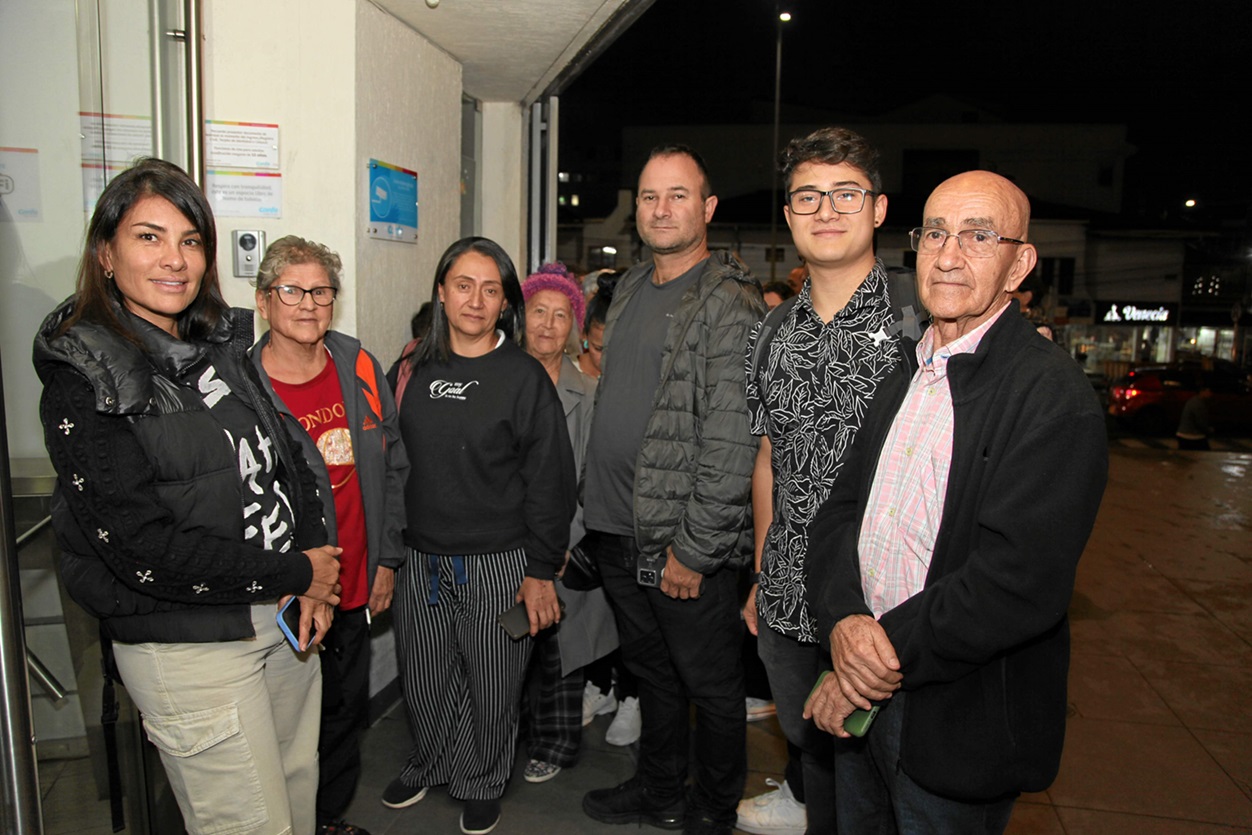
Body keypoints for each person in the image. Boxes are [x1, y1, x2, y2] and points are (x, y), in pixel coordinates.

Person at [33, 158, 342, 835]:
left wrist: (313, 564)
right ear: (106, 253)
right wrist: (299, 569)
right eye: (149, 237)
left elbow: (290, 452)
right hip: (189, 640)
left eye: (191, 239)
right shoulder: (83, 376)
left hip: (279, 615)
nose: (174, 259)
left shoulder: (215, 344)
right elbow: (137, 547)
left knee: (293, 801)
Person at [803, 171, 1109, 833]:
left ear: (1019, 262)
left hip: (954, 720)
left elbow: (1015, 583)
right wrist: (844, 621)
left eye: (978, 235)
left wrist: (868, 658)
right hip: (865, 687)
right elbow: (839, 514)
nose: (948, 254)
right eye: (935, 232)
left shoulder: (1052, 397)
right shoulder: (905, 374)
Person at [580, 145, 766, 835]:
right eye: (651, 197)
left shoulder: (730, 299)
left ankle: (712, 809)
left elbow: (731, 437)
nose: (661, 209)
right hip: (616, 525)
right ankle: (659, 787)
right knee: (651, 671)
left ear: (707, 208)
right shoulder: (628, 286)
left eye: (678, 195)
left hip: (680, 539)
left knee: (712, 686)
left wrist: (695, 546)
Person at [741, 126, 911, 835]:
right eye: (808, 196)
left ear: (877, 208)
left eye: (846, 193)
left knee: (882, 793)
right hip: (786, 603)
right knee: (818, 774)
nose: (827, 209)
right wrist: (759, 571)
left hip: (884, 611)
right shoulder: (774, 328)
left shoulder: (918, 320)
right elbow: (768, 459)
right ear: (789, 215)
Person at [383, 236, 577, 835]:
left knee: (492, 682)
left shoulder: (522, 378)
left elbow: (552, 480)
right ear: (441, 292)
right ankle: (430, 760)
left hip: (500, 561)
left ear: (505, 303)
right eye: (463, 285)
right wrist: (387, 555)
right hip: (421, 557)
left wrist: (541, 570)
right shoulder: (412, 367)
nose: (475, 299)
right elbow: (388, 465)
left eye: (491, 289)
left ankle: (482, 777)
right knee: (422, 674)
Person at [250, 235, 410, 835]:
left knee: (342, 713)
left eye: (321, 291)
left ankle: (326, 819)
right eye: (292, 290)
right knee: (279, 722)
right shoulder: (243, 386)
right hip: (281, 591)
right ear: (265, 301)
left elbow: (395, 468)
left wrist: (387, 560)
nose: (308, 303)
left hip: (353, 583)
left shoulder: (358, 365)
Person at [518, 262, 619, 783]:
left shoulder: (593, 393)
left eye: (562, 315)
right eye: (539, 312)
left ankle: (555, 742)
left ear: (574, 327)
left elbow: (595, 477)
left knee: (560, 651)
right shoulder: (501, 379)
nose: (549, 325)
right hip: (507, 545)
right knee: (507, 649)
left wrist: (561, 542)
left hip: (569, 544)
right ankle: (503, 736)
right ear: (522, 316)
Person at [577, 271, 616, 379]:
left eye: (616, 349)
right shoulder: (565, 375)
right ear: (584, 335)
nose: (605, 359)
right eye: (599, 349)